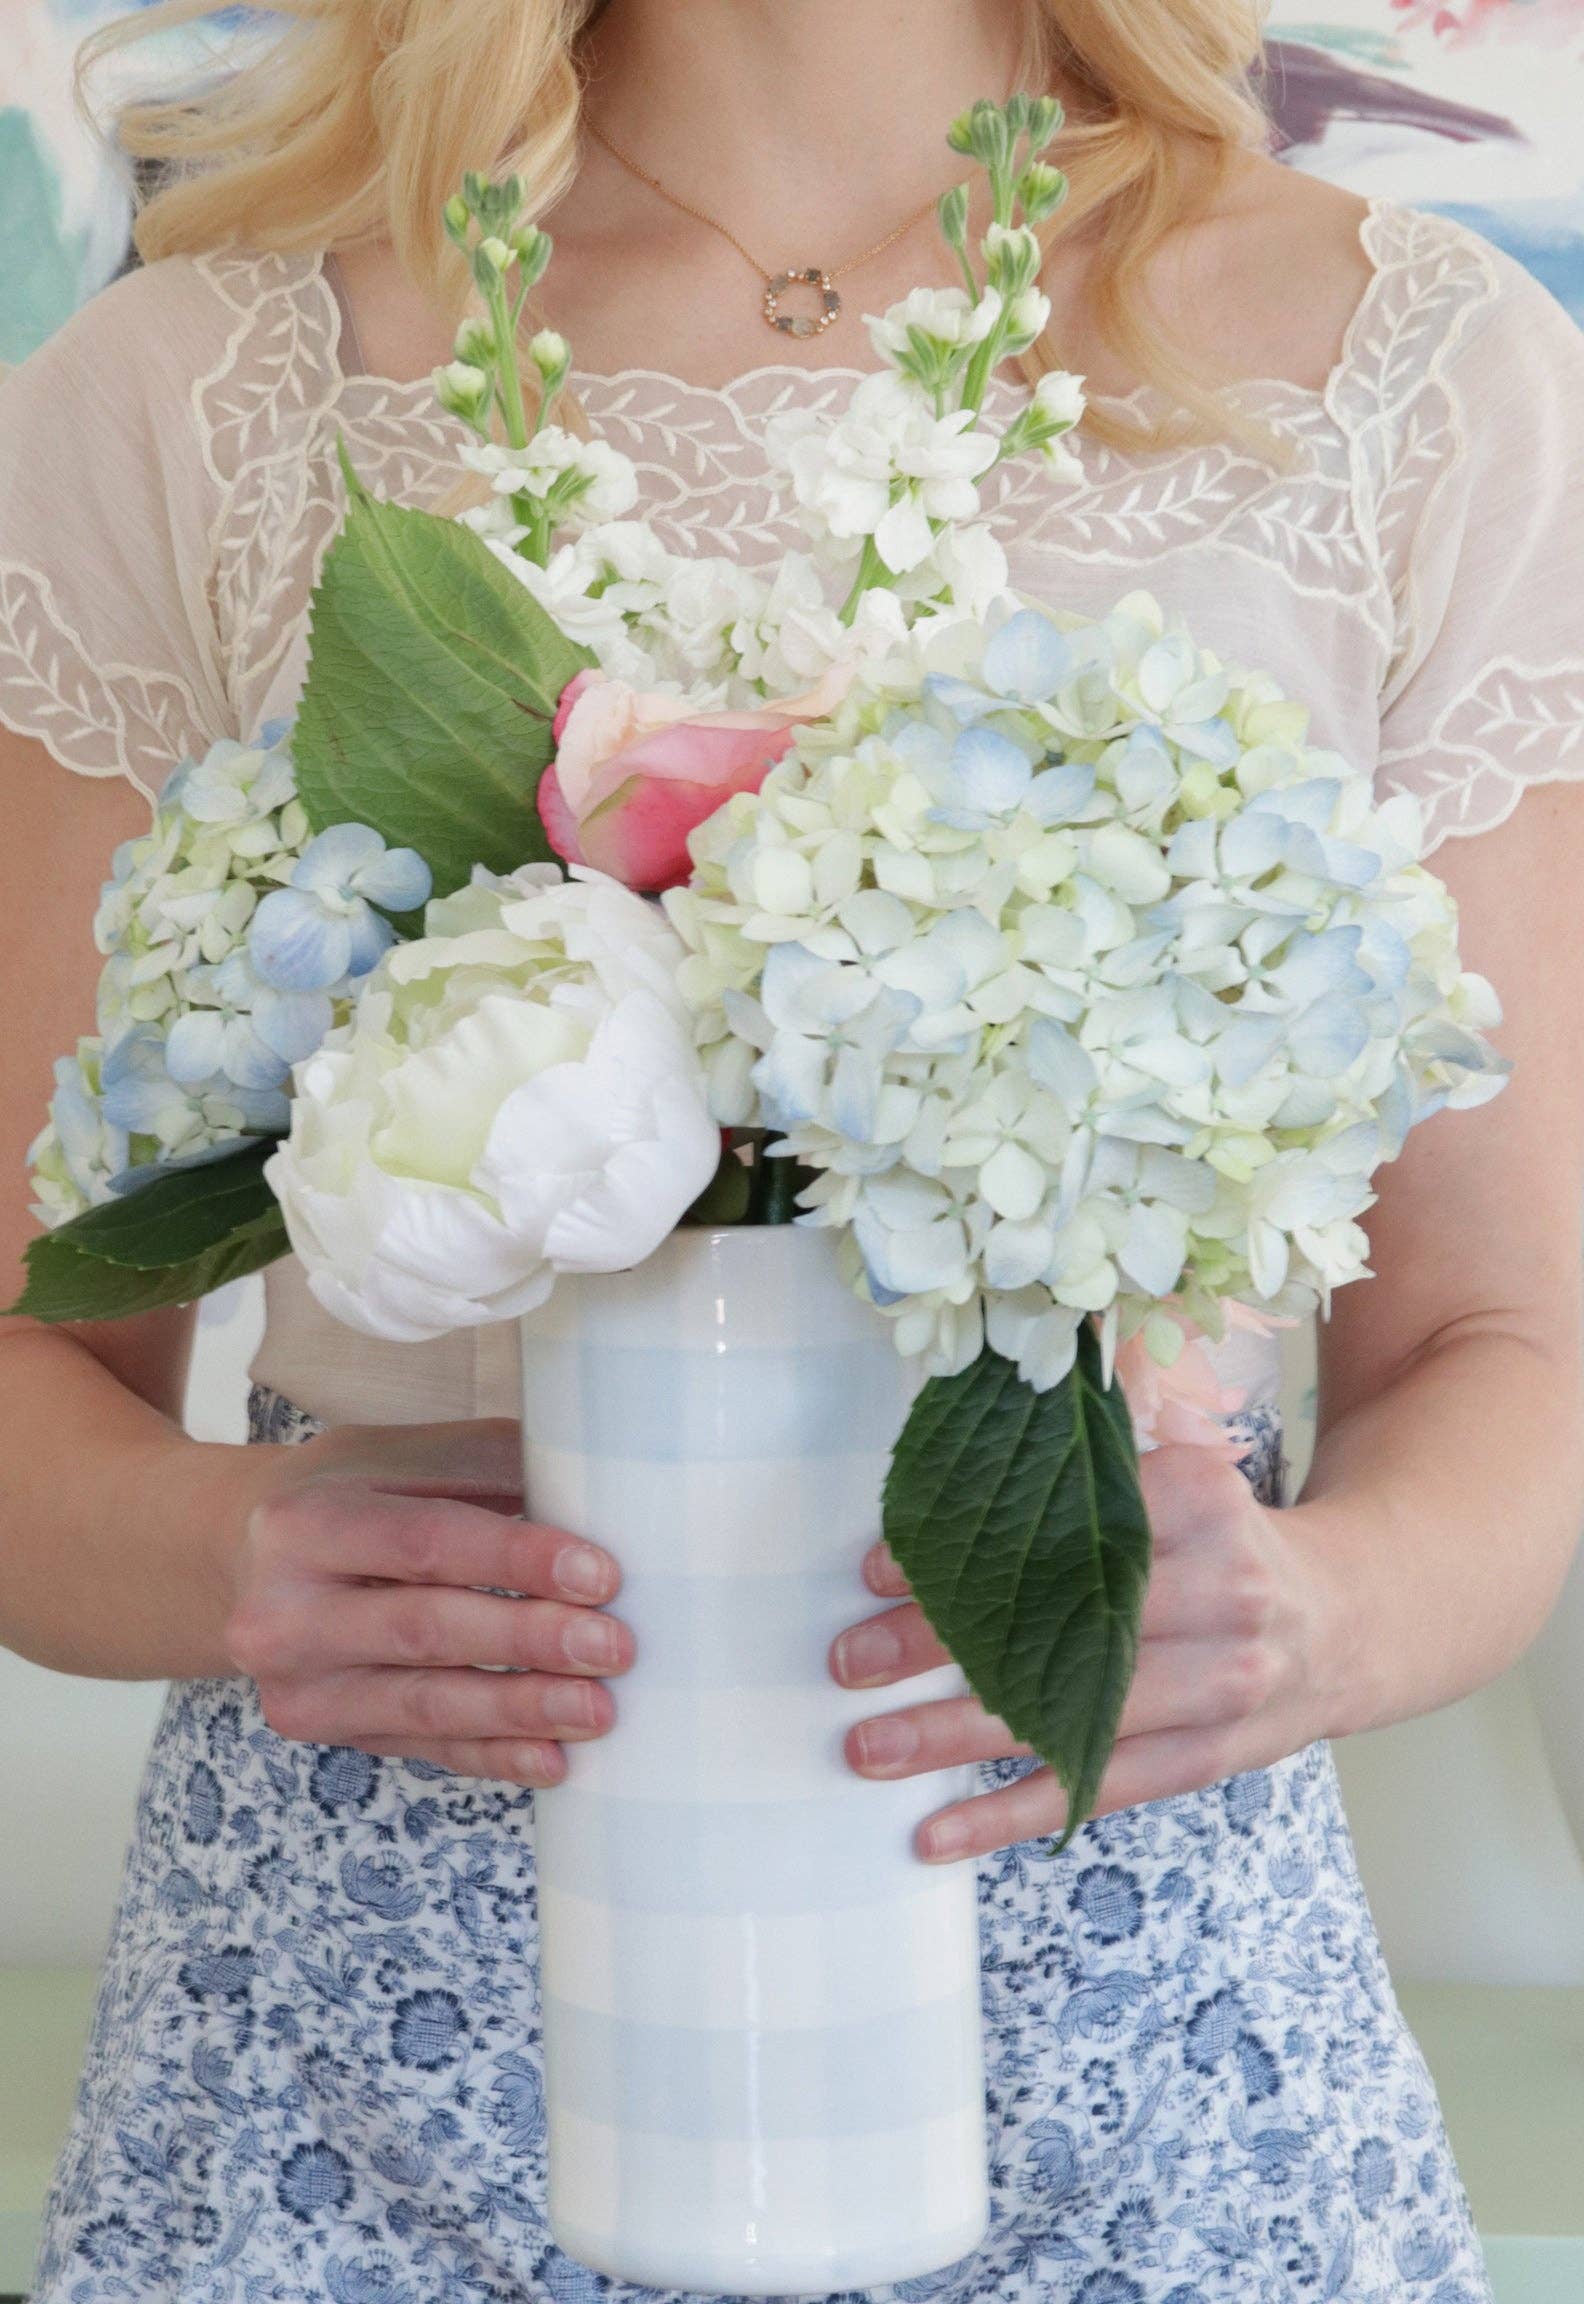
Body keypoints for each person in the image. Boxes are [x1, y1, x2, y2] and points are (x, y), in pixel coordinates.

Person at [3, 1, 1583, 2296]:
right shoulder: (200, 379)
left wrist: (1318, 1616)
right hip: (353, 2065)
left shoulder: (1413, 369)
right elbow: (36, 1365)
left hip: (1160, 2066)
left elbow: (1506, 1337)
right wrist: (225, 1552)